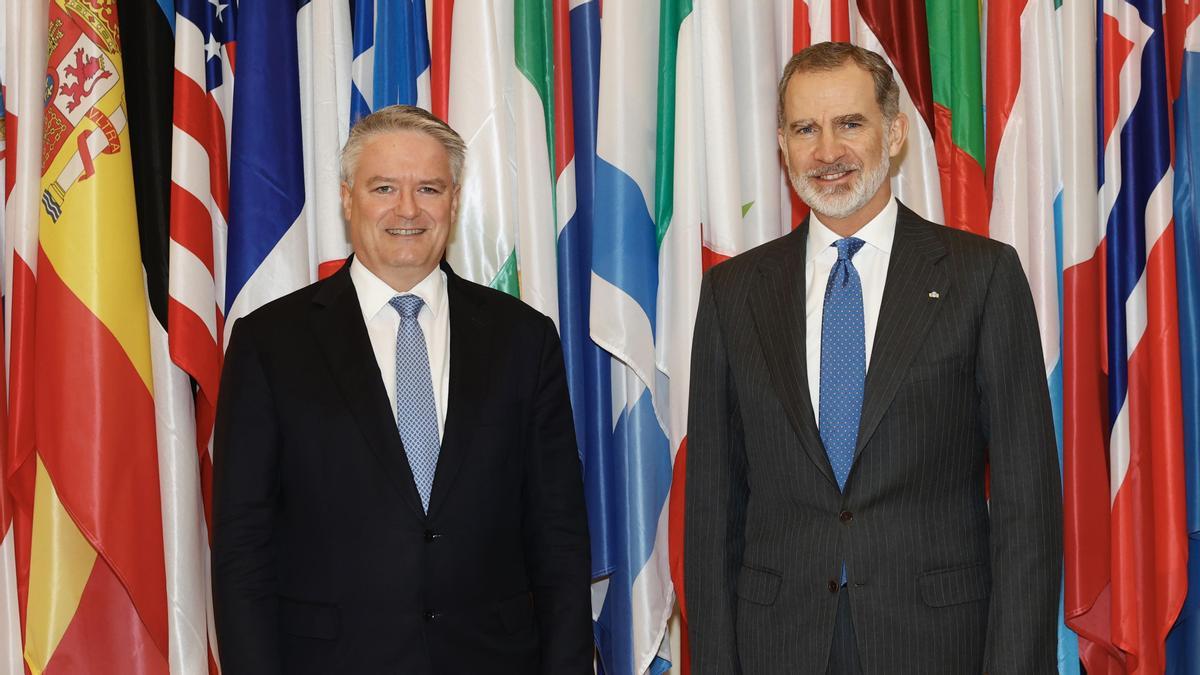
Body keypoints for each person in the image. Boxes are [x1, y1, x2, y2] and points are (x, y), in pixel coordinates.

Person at [684, 42, 1062, 674]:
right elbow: (711, 513)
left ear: (894, 133)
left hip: (939, 644)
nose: (827, 151)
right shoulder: (733, 294)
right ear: (782, 143)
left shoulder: (982, 277)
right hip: (779, 643)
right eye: (806, 129)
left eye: (849, 124)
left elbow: (1029, 511)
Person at [212, 105, 593, 674]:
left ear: (455, 202)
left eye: (430, 189)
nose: (408, 209)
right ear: (347, 200)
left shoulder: (523, 339)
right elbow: (242, 549)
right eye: (384, 187)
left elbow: (559, 538)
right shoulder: (270, 344)